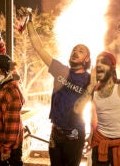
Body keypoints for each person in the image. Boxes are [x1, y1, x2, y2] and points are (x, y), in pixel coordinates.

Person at [26, 9, 91, 166]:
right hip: (56, 132)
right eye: (74, 49)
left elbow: (98, 107)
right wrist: (29, 23)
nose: (75, 52)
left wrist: (95, 132)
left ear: (86, 59)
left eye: (80, 51)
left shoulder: (89, 79)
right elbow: (39, 48)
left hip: (75, 134)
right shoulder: (60, 70)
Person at [74, 21, 120, 166]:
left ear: (112, 67)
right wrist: (91, 133)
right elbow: (80, 110)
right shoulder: (93, 90)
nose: (98, 65)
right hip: (100, 144)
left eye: (103, 62)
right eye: (97, 63)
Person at [0, 54, 24, 166]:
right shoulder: (2, 86)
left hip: (9, 145)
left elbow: (13, 123)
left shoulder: (10, 91)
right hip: (3, 142)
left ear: (2, 70)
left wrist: (6, 149)